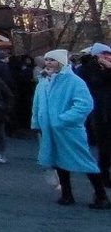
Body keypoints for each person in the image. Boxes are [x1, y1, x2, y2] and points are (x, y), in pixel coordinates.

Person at [32, 49, 108, 209]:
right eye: (47, 60)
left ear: (61, 62)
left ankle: (101, 196)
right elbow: (37, 104)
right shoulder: (45, 81)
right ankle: (67, 195)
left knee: (85, 161)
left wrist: (63, 120)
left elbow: (84, 104)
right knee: (58, 161)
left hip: (69, 130)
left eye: (52, 60)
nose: (48, 63)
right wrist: (37, 123)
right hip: (50, 129)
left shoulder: (74, 81)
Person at [86, 43, 111, 192]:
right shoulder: (90, 68)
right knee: (105, 147)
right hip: (101, 113)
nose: (107, 57)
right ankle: (104, 175)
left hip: (106, 110)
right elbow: (96, 83)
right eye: (103, 54)